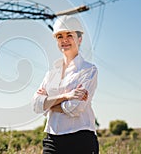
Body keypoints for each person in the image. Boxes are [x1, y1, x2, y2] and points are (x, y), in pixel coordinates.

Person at [32, 15, 99, 153]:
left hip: (81, 139)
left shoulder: (88, 70)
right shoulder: (51, 74)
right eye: (60, 36)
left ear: (79, 39)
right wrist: (67, 96)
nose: (64, 40)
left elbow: (75, 108)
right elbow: (36, 105)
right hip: (52, 139)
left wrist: (48, 104)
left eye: (69, 35)